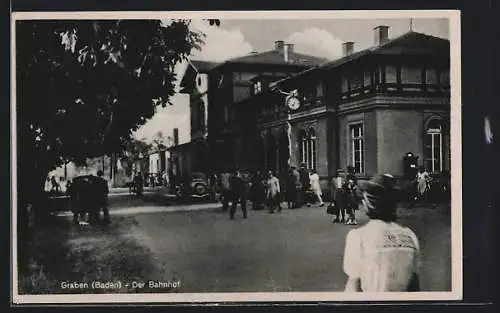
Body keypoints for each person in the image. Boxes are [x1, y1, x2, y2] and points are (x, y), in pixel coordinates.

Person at [343, 173, 420, 292]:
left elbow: (353, 288)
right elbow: (414, 287)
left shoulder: (358, 237)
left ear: (368, 203)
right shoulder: (410, 236)